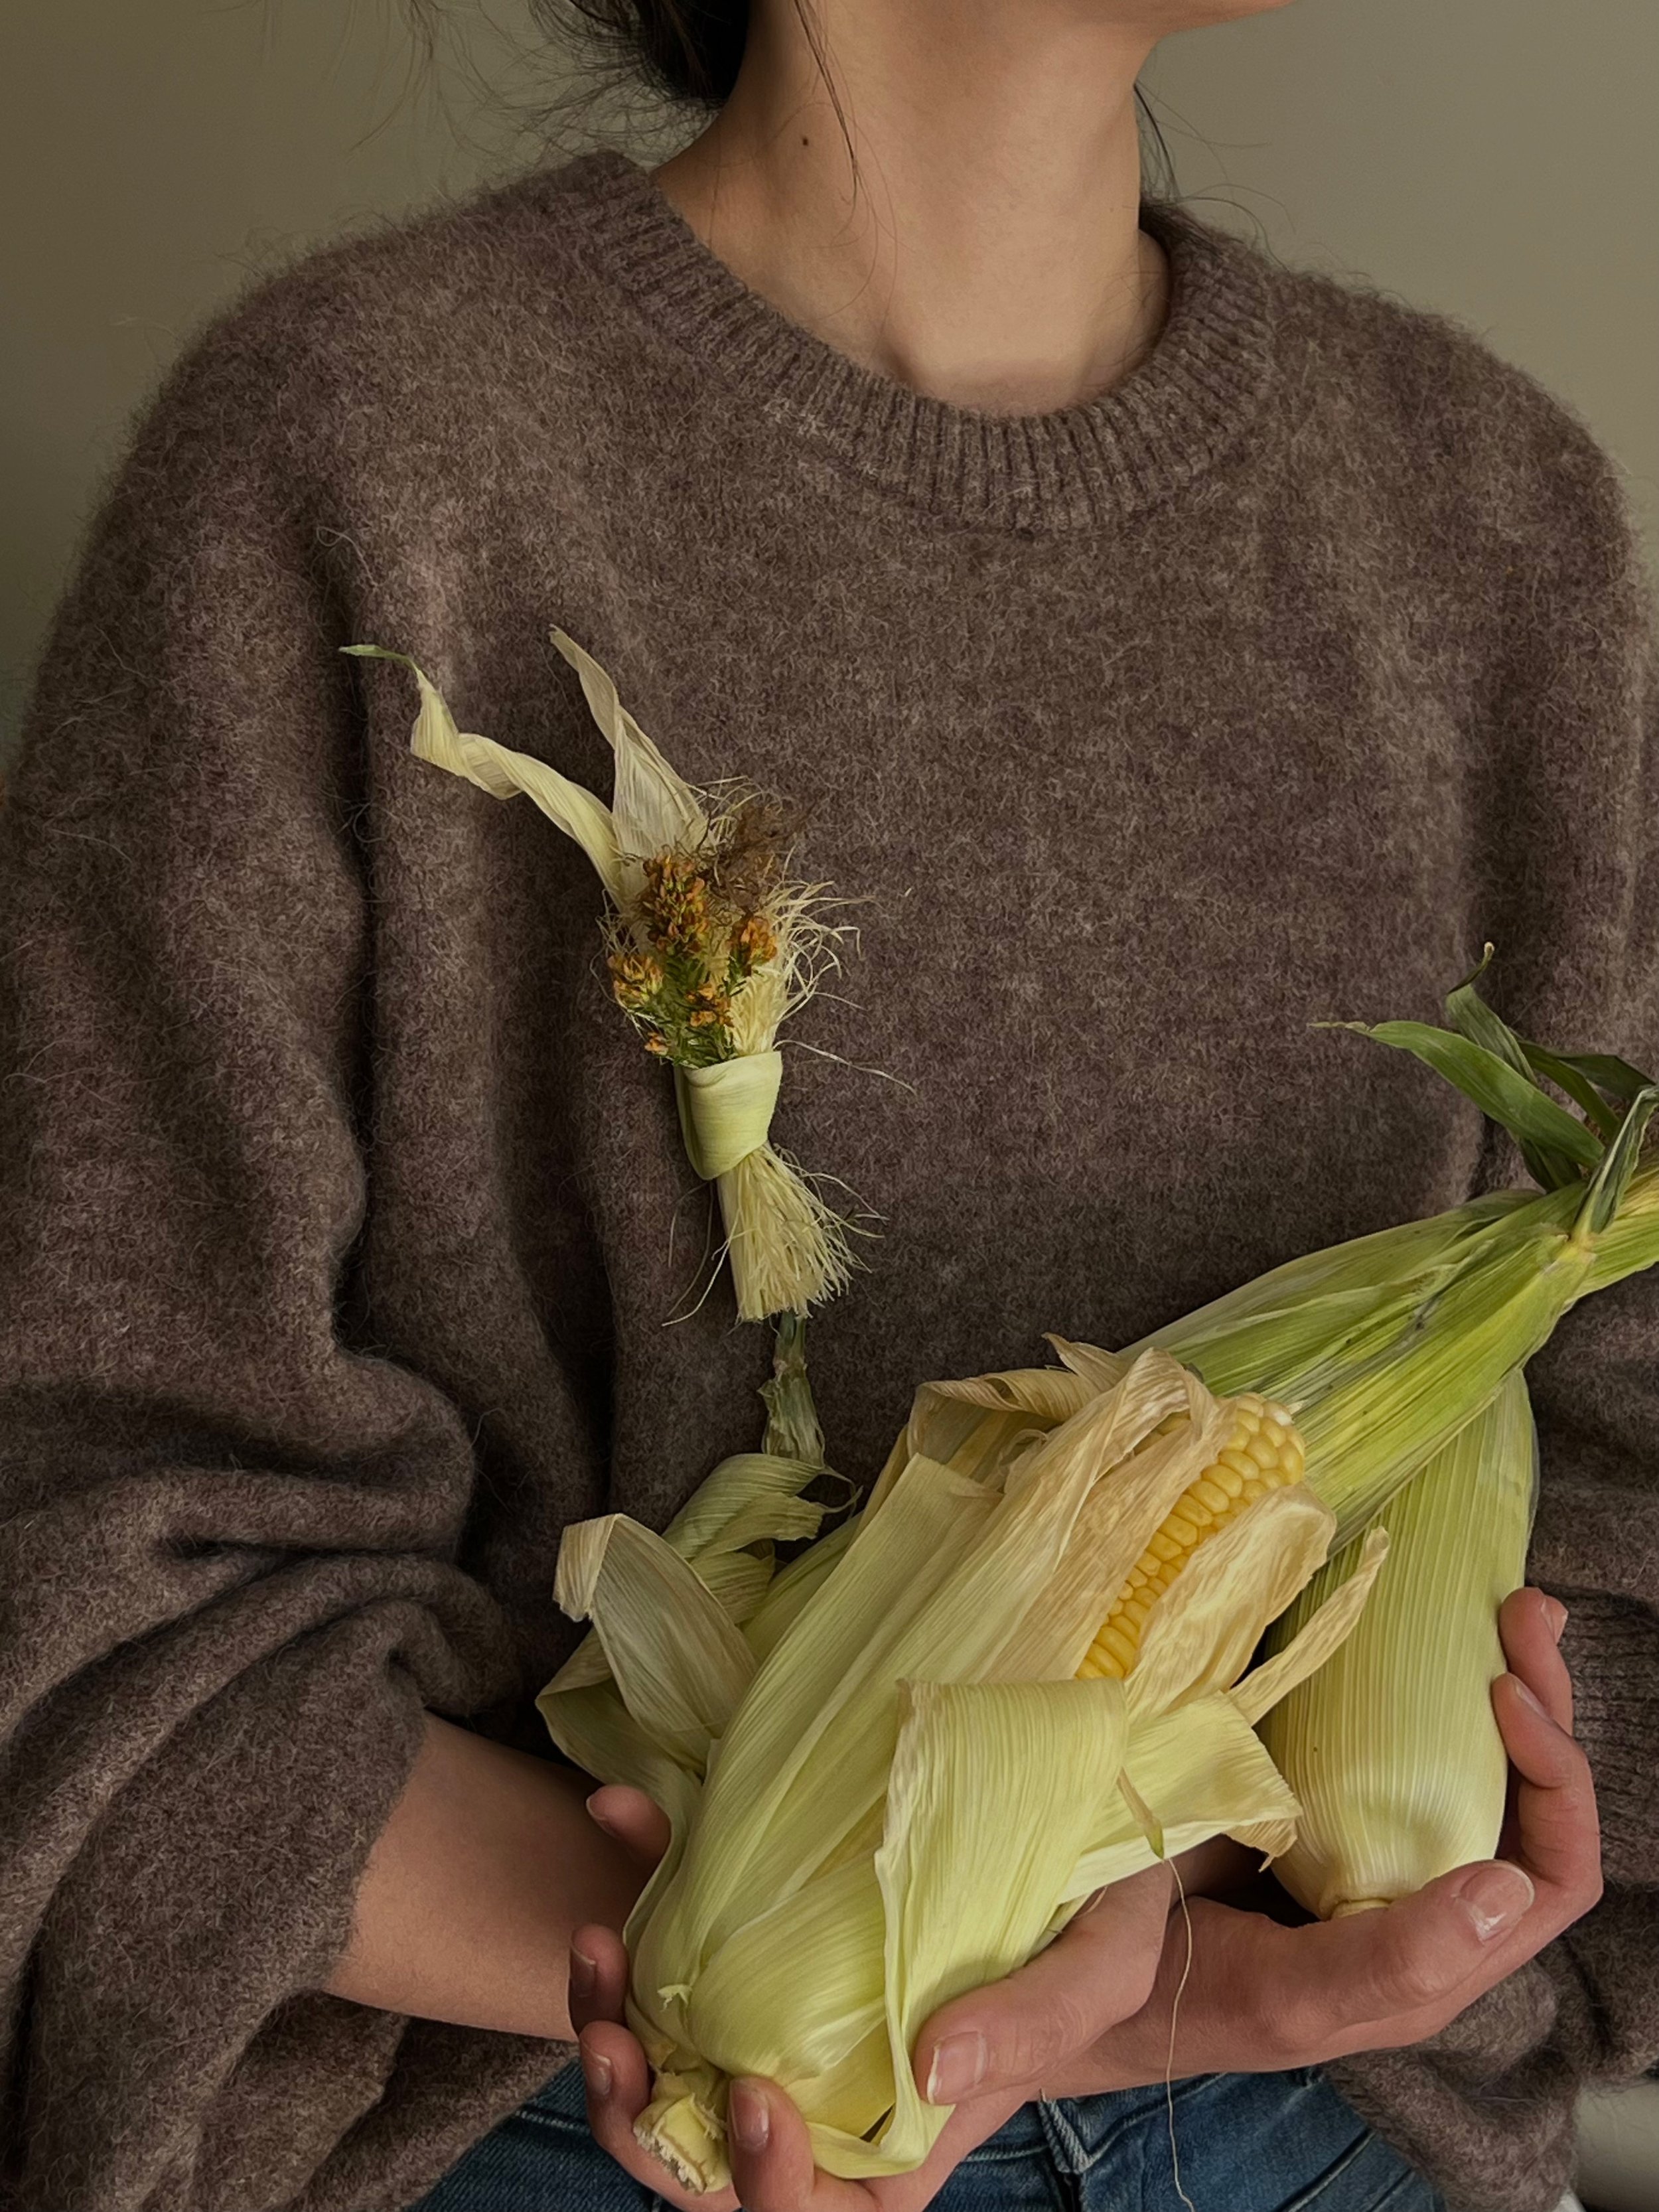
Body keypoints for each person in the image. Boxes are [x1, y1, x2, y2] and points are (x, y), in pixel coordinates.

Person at [1, 3, 1651, 2209]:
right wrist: (817, 1982)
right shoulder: (362, 460)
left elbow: (1616, 1484)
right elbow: (88, 1556)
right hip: (554, 2123)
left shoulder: (1487, 516)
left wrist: (1200, 1949)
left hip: (1339, 2127)